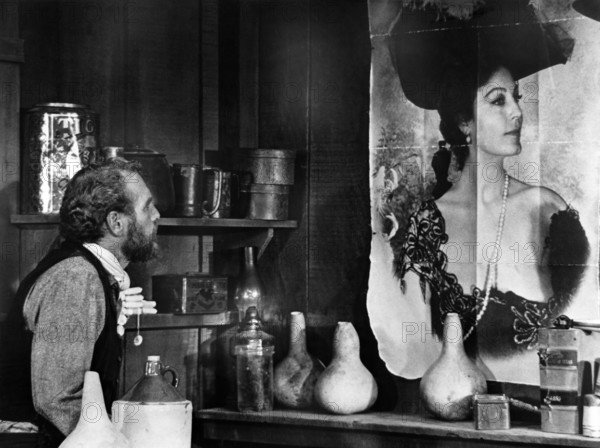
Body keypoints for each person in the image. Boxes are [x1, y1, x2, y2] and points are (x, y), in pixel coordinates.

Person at [368, 0, 591, 382]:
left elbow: (583, 321)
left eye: (516, 97)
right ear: (464, 123)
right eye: (497, 100)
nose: (517, 113)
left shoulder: (547, 210)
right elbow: (411, 344)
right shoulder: (427, 222)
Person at [15, 158, 159, 447]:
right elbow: (57, 398)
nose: (156, 215)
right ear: (116, 223)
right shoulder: (76, 277)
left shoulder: (89, 273)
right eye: (147, 206)